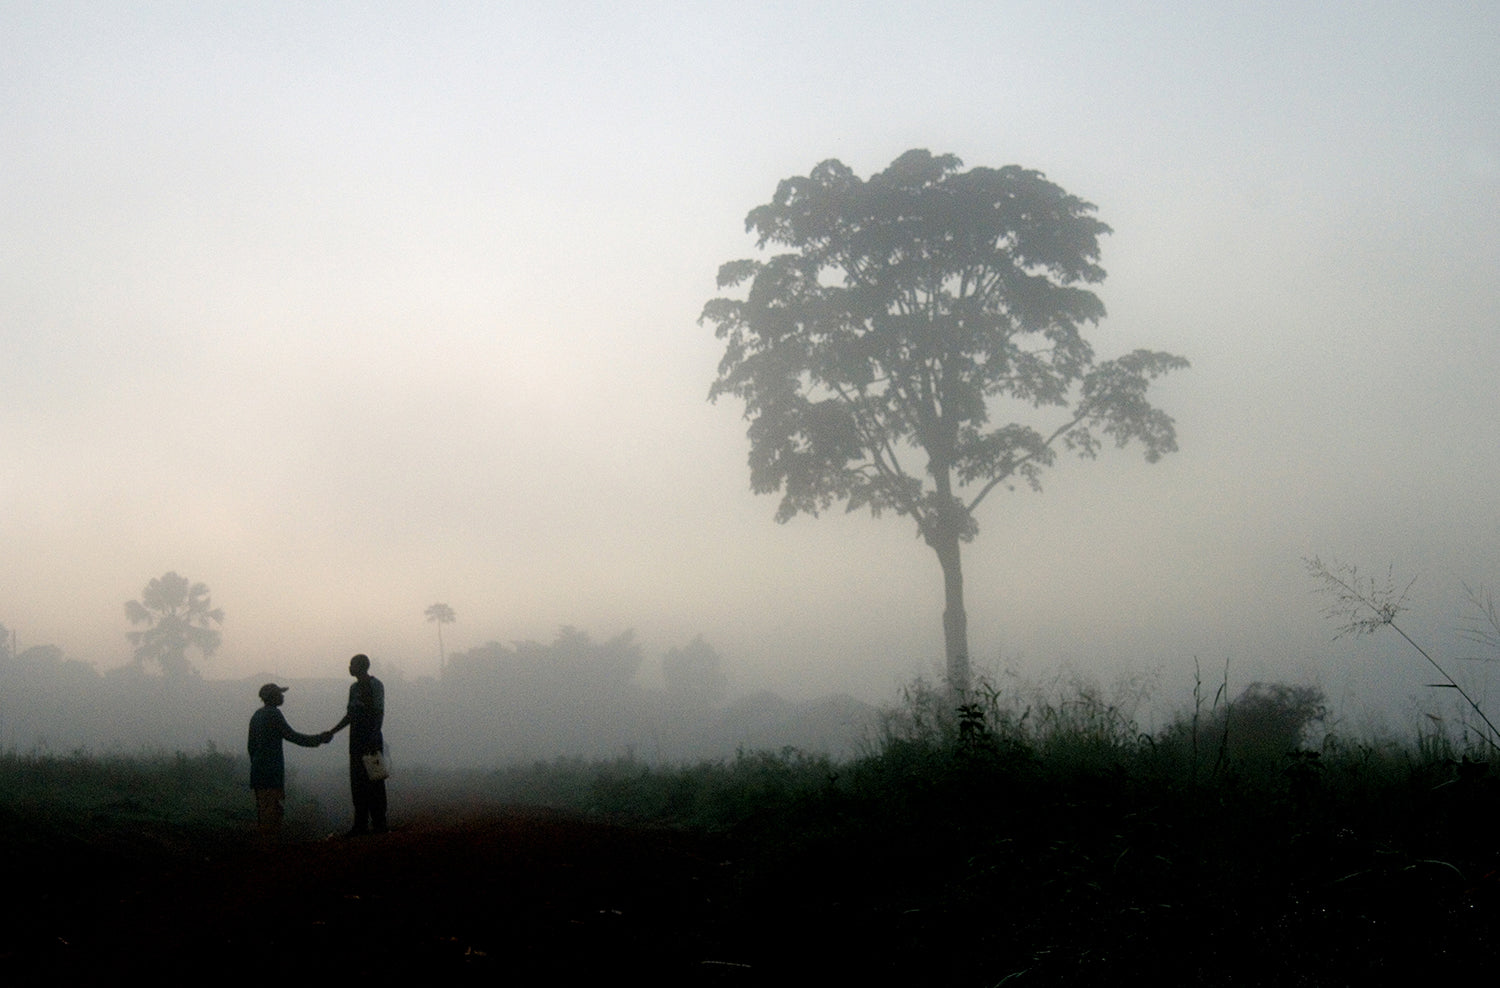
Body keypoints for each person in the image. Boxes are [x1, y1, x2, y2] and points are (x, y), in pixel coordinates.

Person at [247, 683, 330, 837]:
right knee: (273, 814)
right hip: (271, 773)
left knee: (263, 813)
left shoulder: (256, 715)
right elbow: (293, 737)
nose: (283, 696)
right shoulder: (274, 714)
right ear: (273, 697)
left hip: (258, 772)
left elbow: (250, 747)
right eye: (280, 693)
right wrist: (319, 739)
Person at [327, 653, 387, 835]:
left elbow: (379, 712)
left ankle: (379, 823)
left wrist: (374, 736)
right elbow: (350, 716)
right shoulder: (353, 688)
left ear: (361, 666)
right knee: (358, 783)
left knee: (375, 781)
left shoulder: (375, 685)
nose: (349, 667)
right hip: (357, 741)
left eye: (352, 664)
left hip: (370, 740)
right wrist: (333, 731)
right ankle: (360, 823)